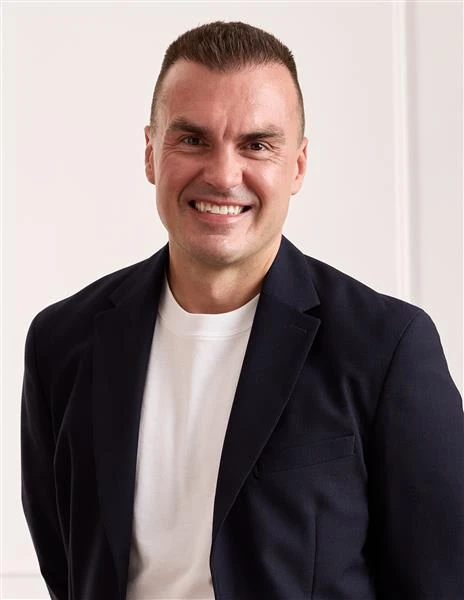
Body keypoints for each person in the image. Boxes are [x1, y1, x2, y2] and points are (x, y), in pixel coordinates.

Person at [21, 21, 464, 600]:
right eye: (192, 139)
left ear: (297, 165)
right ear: (151, 153)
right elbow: (67, 566)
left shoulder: (387, 349)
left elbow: (442, 581)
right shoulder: (61, 342)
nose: (223, 175)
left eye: (257, 145)